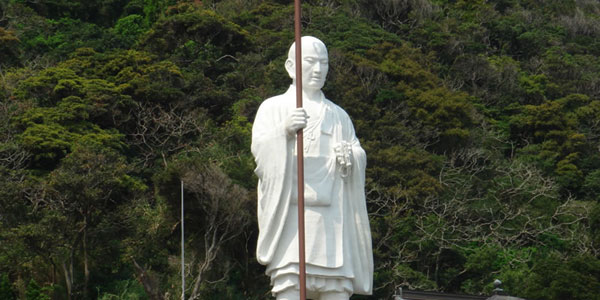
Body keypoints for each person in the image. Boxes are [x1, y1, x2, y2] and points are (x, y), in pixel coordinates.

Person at [251, 36, 373, 300]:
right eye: (310, 62)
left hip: (332, 223)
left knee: (337, 289)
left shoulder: (339, 116)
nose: (318, 69)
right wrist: (283, 131)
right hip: (292, 220)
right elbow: (260, 156)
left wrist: (349, 156)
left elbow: (356, 154)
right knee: (291, 287)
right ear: (290, 66)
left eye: (324, 63)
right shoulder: (273, 108)